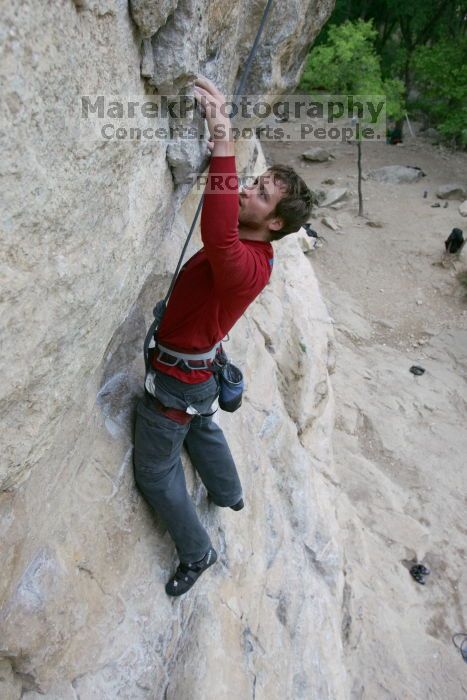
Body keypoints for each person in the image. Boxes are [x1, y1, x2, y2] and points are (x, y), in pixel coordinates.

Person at [133, 76, 312, 596]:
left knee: (155, 470)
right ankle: (230, 492)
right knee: (201, 425)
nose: (245, 189)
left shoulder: (243, 263)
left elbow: (215, 231)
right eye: (253, 181)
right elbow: (224, 220)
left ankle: (198, 551)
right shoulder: (258, 253)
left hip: (177, 378)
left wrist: (222, 137)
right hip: (199, 374)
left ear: (274, 222)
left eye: (259, 193)